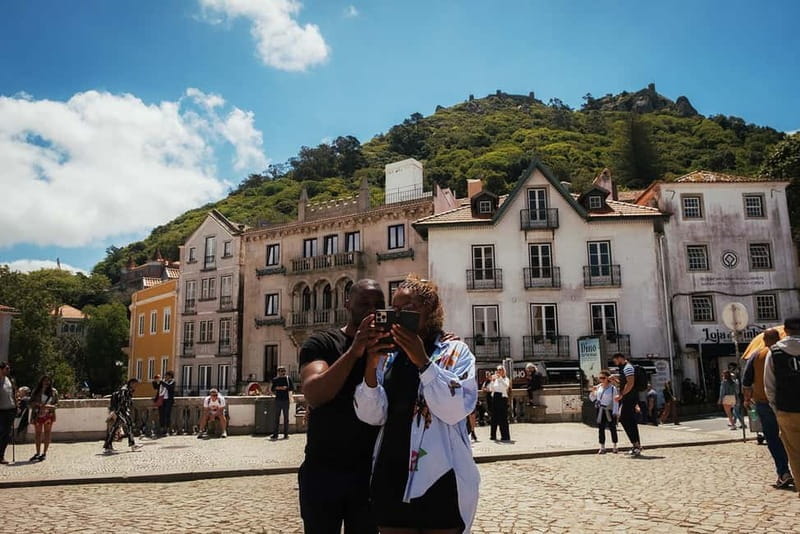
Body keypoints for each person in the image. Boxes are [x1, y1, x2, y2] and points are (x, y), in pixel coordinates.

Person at [355, 275, 480, 533]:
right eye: (396, 309)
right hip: (391, 472)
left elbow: (455, 409)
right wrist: (370, 365)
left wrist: (423, 360)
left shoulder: (455, 352)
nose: (399, 315)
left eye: (409, 308)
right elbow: (371, 416)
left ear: (430, 311)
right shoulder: (388, 357)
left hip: (440, 475)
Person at [297, 279, 385, 534]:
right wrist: (356, 350)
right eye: (364, 304)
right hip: (324, 470)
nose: (372, 310)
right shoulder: (322, 343)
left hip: (369, 472)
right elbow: (314, 393)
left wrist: (441, 339)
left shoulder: (391, 348)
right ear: (347, 304)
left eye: (378, 305)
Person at [743, 328, 793, 489]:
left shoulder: (757, 355)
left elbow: (746, 381)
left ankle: (784, 472)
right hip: (787, 401)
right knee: (792, 436)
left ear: (764, 340)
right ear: (778, 337)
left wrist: (746, 398)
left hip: (764, 402)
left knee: (772, 438)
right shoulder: (787, 352)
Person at [764, 316, 800, 497]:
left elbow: (769, 386)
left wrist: (776, 410)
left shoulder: (774, 352)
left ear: (785, 331)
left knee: (794, 454)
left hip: (787, 410)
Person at [612, 353, 642, 456]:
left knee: (624, 419)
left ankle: (636, 444)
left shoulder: (628, 367)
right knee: (630, 420)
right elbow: (624, 383)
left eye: (615, 361)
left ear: (620, 358)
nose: (615, 364)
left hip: (629, 398)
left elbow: (630, 383)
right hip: (629, 397)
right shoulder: (625, 368)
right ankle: (636, 445)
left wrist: (621, 395)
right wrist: (615, 380)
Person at [103, 378, 141, 453]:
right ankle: (132, 444)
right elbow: (122, 402)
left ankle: (108, 445)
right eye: (135, 384)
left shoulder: (126, 389)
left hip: (120, 411)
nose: (136, 386)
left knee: (115, 428)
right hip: (121, 411)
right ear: (132, 383)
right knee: (129, 424)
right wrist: (119, 412)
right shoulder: (125, 390)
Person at [28, 375, 59, 462]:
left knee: (47, 433)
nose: (46, 382)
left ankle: (44, 453)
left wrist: (50, 406)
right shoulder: (36, 391)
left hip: (49, 414)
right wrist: (38, 404)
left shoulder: (54, 391)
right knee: (38, 434)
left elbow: (57, 404)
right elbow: (30, 402)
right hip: (38, 414)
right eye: (45, 380)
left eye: (48, 381)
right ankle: (37, 453)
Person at [590, 370, 619, 454]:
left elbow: (615, 401)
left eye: (603, 378)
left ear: (608, 378)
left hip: (609, 410)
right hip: (600, 409)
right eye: (600, 378)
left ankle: (615, 445)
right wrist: (592, 391)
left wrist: (615, 411)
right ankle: (602, 447)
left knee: (612, 428)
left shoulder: (613, 388)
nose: (601, 380)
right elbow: (593, 398)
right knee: (601, 428)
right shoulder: (599, 387)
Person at [485, 365, 511, 441]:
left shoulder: (506, 379)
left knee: (503, 418)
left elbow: (506, 386)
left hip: (502, 398)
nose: (499, 371)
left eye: (500, 370)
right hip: (495, 398)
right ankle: (493, 435)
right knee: (494, 418)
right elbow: (491, 389)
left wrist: (499, 378)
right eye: (498, 370)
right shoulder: (495, 380)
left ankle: (505, 436)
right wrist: (492, 381)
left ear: (503, 371)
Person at [270, 366, 295, 440]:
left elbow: (292, 388)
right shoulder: (275, 379)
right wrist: (280, 388)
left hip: (286, 400)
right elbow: (272, 388)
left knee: (286, 418)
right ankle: (275, 434)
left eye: (283, 370)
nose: (282, 372)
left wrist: (284, 388)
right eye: (281, 371)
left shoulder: (288, 379)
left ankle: (286, 434)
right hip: (278, 400)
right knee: (276, 418)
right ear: (278, 372)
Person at [0, 362, 17, 464]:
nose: (8, 370)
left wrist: (15, 405)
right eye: (6, 369)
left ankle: (1, 455)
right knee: (1, 433)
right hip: (1, 410)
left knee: (7, 434)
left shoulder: (9, 380)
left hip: (10, 409)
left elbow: (12, 393)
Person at [151, 371, 175, 436]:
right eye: (165, 376)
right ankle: (162, 428)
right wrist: (155, 380)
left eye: (167, 376)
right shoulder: (162, 382)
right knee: (161, 414)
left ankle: (167, 429)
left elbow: (169, 387)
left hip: (168, 400)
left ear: (170, 376)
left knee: (167, 415)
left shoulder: (172, 382)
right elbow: (155, 387)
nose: (165, 377)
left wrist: (162, 382)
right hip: (161, 399)